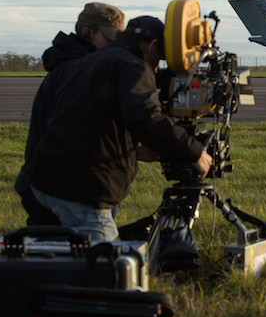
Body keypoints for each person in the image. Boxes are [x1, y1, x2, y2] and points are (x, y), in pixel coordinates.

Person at [28, 16, 212, 241]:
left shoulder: (92, 60)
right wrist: (193, 152)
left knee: (60, 258)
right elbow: (147, 120)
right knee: (107, 266)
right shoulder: (133, 66)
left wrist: (134, 152)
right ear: (153, 45)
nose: (156, 68)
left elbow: (92, 123)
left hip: (47, 179)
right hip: (80, 189)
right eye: (158, 59)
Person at [15, 2, 126, 225]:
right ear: (86, 32)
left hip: (60, 183)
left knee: (57, 254)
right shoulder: (78, 71)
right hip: (66, 188)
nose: (116, 45)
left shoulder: (76, 66)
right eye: (110, 37)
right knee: (95, 254)